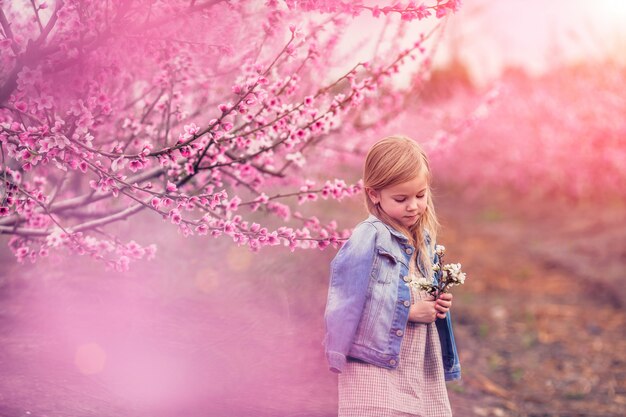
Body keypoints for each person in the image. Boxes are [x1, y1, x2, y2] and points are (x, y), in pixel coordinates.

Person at [324, 135, 461, 417]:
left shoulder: (423, 241)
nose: (413, 206)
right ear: (374, 194)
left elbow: (416, 291)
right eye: (401, 199)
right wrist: (408, 312)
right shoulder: (369, 236)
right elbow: (347, 298)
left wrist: (437, 305)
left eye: (420, 196)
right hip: (374, 360)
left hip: (419, 361)